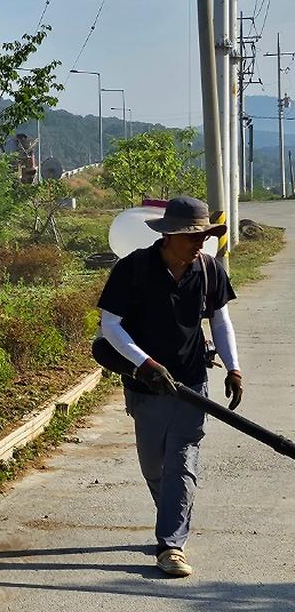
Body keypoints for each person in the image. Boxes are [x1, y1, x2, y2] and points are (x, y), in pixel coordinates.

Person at [96, 195, 243, 580]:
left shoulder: (209, 270)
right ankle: (172, 515)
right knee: (154, 463)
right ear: (169, 236)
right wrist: (145, 364)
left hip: (192, 382)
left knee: (182, 459)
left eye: (205, 237)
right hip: (147, 386)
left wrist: (234, 368)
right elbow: (109, 327)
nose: (201, 244)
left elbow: (221, 322)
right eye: (193, 237)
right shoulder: (134, 269)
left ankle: (171, 545)